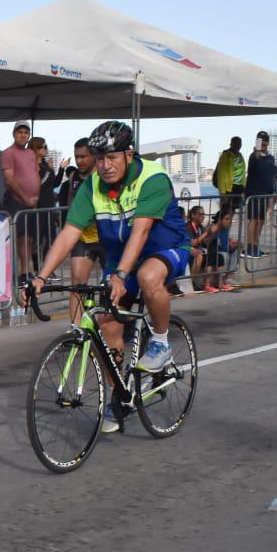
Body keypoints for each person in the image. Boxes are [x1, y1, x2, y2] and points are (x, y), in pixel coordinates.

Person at [30, 120, 191, 434]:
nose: (105, 165)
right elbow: (69, 233)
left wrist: (119, 275)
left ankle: (160, 343)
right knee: (106, 325)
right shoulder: (92, 186)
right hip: (120, 257)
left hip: (165, 246)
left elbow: (141, 232)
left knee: (147, 276)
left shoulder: (152, 178)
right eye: (100, 158)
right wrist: (41, 277)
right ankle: (119, 396)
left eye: (112, 157)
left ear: (129, 155)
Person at [63, 137, 102, 322]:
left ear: (93, 155)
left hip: (105, 237)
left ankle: (113, 327)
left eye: (84, 157)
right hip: (83, 238)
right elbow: (71, 207)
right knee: (77, 286)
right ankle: (76, 330)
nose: (79, 161)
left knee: (111, 286)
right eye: (76, 157)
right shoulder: (74, 177)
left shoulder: (103, 174)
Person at [1, 119, 40, 278]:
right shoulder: (8, 153)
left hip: (32, 202)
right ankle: (23, 273)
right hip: (16, 201)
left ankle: (28, 270)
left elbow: (35, 174)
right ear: (14, 134)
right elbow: (9, 180)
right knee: (21, 238)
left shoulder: (31, 153)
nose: (23, 135)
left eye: (26, 133)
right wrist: (25, 198)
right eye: (20, 132)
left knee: (30, 238)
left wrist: (36, 197)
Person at [242, 131, 277, 258]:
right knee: (253, 220)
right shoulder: (253, 156)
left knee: (261, 221)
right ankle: (249, 247)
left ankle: (255, 245)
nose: (263, 143)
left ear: (268, 142)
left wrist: (273, 192)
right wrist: (257, 151)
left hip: (265, 194)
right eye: (260, 140)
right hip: (253, 192)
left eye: (265, 140)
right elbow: (254, 162)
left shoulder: (271, 158)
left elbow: (272, 176)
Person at [32, 136, 68, 263]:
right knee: (37, 240)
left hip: (49, 207)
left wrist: (61, 168)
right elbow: (38, 186)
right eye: (44, 147)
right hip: (38, 207)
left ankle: (47, 266)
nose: (46, 149)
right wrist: (50, 171)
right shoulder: (32, 166)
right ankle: (37, 268)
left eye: (46, 146)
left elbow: (55, 184)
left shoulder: (45, 165)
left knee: (51, 238)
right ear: (36, 149)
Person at [214, 136, 246, 216]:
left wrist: (244, 188)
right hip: (229, 189)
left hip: (239, 188)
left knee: (233, 210)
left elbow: (242, 173)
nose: (238, 145)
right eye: (236, 143)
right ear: (231, 144)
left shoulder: (240, 155)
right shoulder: (226, 155)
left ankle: (228, 224)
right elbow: (222, 174)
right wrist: (222, 193)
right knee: (226, 213)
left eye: (239, 143)